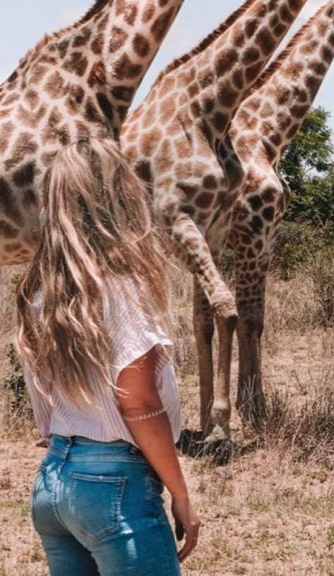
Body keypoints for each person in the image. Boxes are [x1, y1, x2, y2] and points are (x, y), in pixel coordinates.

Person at [16, 137, 201, 575]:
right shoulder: (122, 286)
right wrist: (180, 493)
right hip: (113, 484)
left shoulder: (41, 290)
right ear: (120, 195)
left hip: (53, 482)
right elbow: (135, 400)